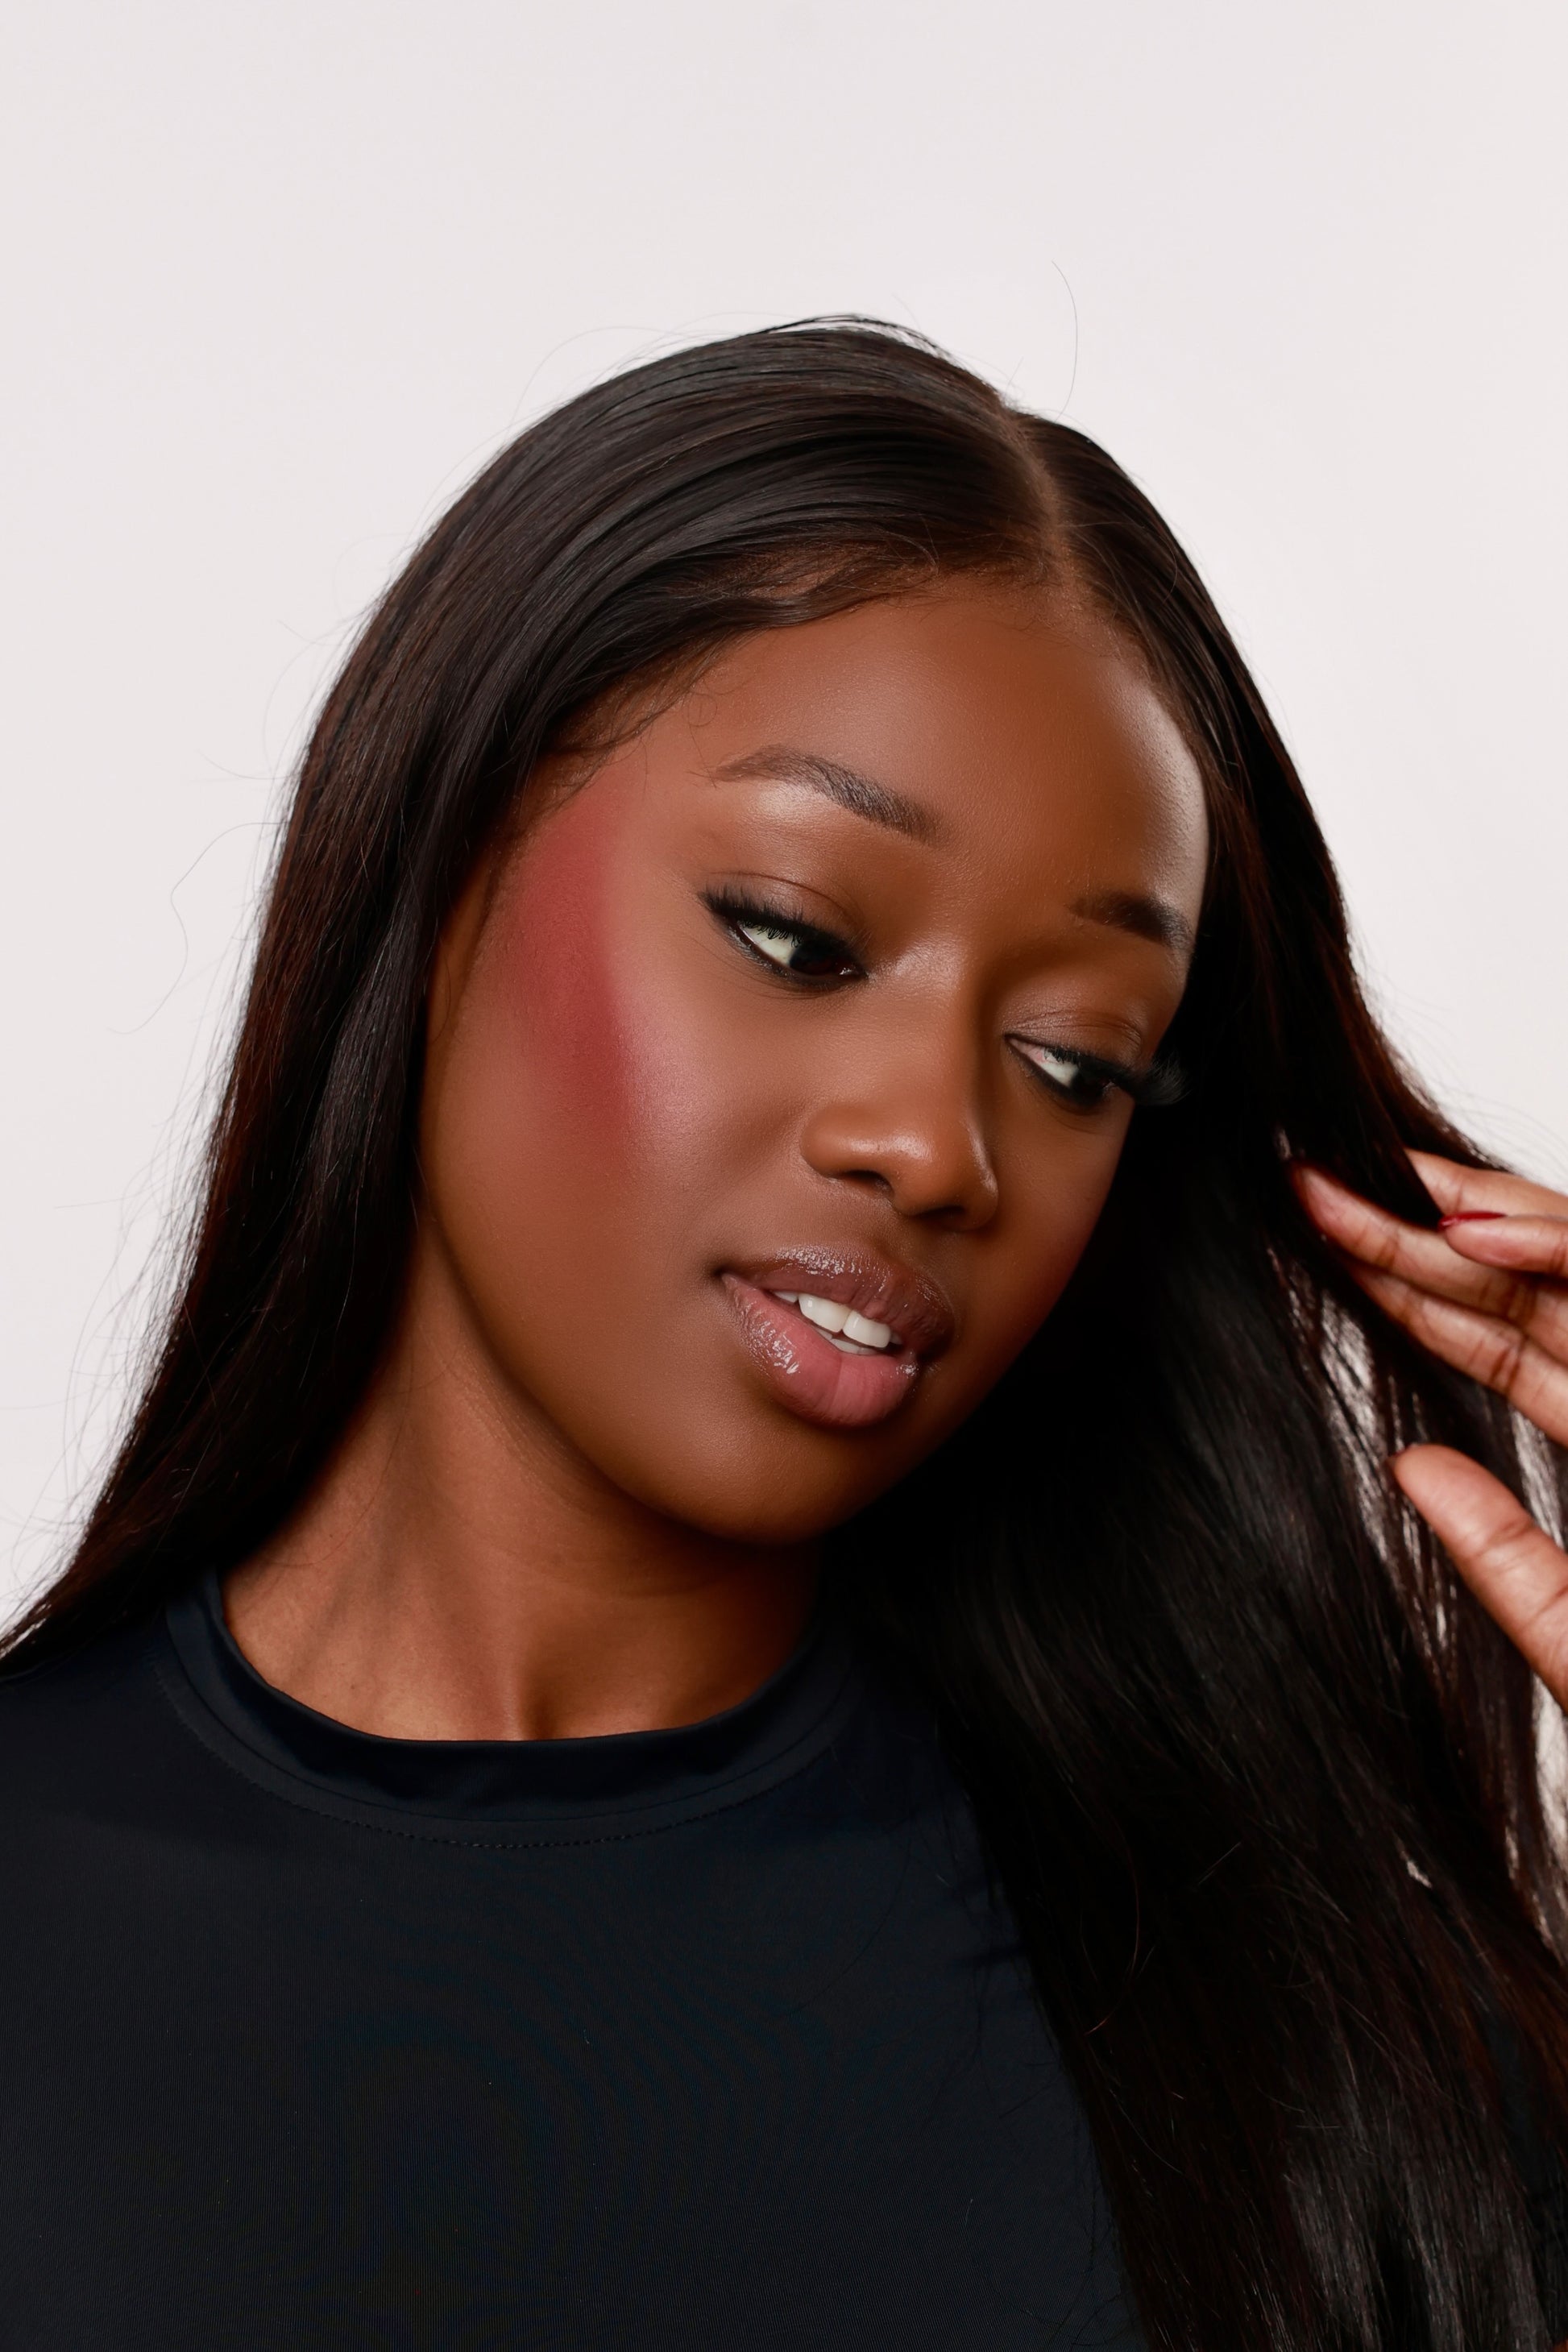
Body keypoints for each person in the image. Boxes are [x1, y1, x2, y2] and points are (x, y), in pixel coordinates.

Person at [2, 320, 1566, 2352]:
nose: (936, 1143)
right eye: (796, 938)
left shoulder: (1332, 2049)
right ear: (440, 860)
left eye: (1075, 1059)